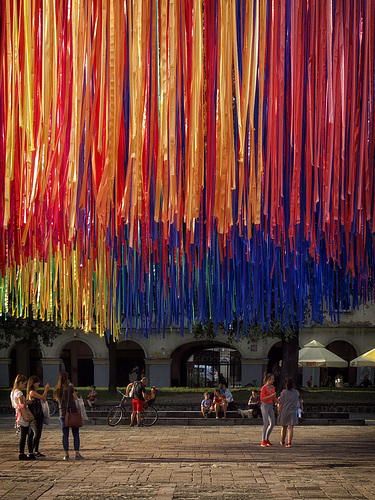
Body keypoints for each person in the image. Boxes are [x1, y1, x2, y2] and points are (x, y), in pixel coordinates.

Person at [53, 371, 84, 460]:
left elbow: (57, 400)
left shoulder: (56, 389)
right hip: (72, 412)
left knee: (64, 434)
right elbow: (75, 398)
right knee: (75, 434)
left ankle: (66, 454)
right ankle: (77, 453)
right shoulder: (70, 387)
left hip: (62, 414)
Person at [10, 374, 35, 460]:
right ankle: (24, 453)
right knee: (27, 434)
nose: (24, 386)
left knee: (25, 434)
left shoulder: (13, 392)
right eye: (24, 384)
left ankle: (24, 453)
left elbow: (14, 405)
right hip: (23, 416)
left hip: (18, 415)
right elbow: (22, 405)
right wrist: (27, 402)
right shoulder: (19, 393)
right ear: (20, 383)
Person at [26, 376, 50, 457]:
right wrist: (46, 390)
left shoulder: (35, 392)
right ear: (33, 383)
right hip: (35, 415)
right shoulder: (32, 392)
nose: (39, 383)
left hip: (39, 414)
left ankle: (36, 450)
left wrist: (45, 392)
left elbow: (43, 400)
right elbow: (42, 397)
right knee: (37, 434)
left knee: (39, 433)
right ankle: (31, 451)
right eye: (37, 382)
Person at [278, 378, 300, 447]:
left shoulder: (283, 392)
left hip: (284, 410)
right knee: (290, 427)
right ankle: (289, 442)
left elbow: (280, 402)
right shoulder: (296, 392)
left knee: (283, 427)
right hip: (292, 410)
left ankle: (282, 440)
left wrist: (279, 410)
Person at [260, 372, 278, 447]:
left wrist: (277, 401)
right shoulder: (264, 388)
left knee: (272, 422)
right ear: (268, 379)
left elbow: (274, 397)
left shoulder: (272, 387)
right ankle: (263, 440)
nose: (273, 380)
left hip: (270, 405)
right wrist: (271, 396)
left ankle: (267, 438)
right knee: (266, 423)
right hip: (265, 405)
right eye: (272, 379)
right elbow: (262, 399)